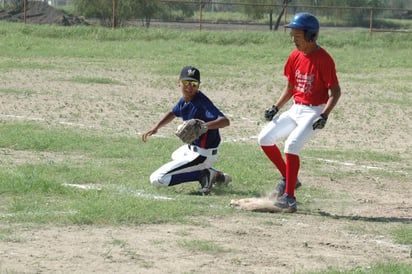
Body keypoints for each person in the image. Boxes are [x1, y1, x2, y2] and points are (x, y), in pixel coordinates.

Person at [257, 13, 341, 212]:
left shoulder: (323, 58)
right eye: (293, 36)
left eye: (298, 37)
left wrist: (325, 115)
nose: (294, 40)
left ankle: (289, 198)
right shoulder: (294, 56)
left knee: (291, 145)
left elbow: (335, 91)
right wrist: (276, 107)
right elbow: (290, 88)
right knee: (264, 138)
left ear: (311, 36)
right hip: (296, 108)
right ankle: (289, 179)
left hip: (314, 110)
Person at [142, 66, 231, 195]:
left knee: (157, 179)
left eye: (194, 83)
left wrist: (204, 126)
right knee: (176, 155)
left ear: (198, 86)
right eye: (186, 82)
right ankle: (215, 174)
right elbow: (173, 112)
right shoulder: (185, 99)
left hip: (203, 155)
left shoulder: (202, 103)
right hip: (191, 150)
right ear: (179, 83)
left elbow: (225, 121)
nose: (189, 86)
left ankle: (203, 174)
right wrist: (156, 127)